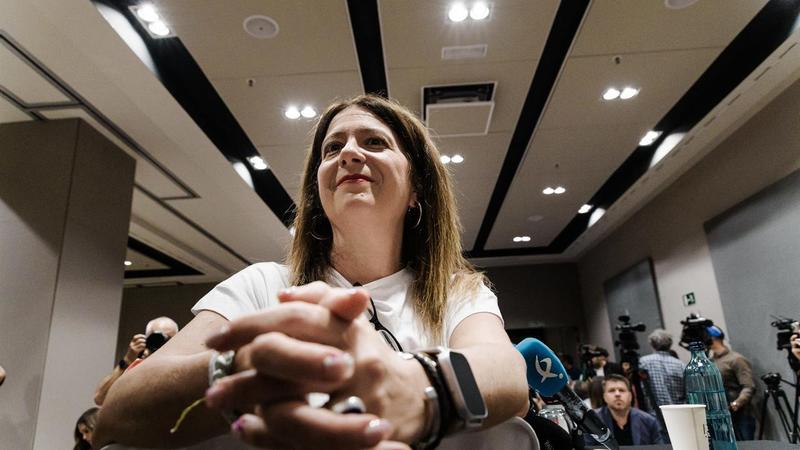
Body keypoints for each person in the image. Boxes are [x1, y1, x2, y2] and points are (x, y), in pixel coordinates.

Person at [93, 94, 529, 449]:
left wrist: (414, 388)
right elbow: (118, 412)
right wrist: (244, 369)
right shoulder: (262, 285)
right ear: (318, 193)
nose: (350, 153)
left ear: (417, 189)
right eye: (333, 148)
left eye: (375, 142)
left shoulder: (458, 293)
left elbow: (508, 378)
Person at [93, 316, 179, 405]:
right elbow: (100, 398)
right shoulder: (135, 366)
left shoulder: (180, 367)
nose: (162, 344)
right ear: (147, 339)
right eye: (157, 338)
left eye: (169, 340)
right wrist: (128, 359)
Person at [707, 325, 757, 441]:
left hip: (740, 413)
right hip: (720, 413)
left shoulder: (736, 359)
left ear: (713, 339)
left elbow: (748, 386)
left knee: (745, 445)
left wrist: (736, 404)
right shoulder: (710, 362)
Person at [585, 374, 664, 446]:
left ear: (630, 396)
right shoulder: (593, 421)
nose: (617, 394)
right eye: (612, 390)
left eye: (622, 390)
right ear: (604, 397)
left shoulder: (649, 421)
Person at [638, 329, 685, 410]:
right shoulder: (681, 365)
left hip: (652, 413)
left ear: (652, 344)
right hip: (677, 412)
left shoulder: (643, 362)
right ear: (670, 344)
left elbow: (641, 389)